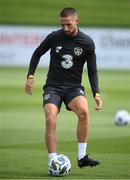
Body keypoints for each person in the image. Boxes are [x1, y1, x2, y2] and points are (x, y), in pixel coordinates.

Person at [25, 7, 102, 169]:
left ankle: (82, 157)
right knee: (50, 118)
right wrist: (30, 77)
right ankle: (53, 160)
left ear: (76, 21)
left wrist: (96, 93)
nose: (65, 28)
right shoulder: (54, 37)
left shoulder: (87, 42)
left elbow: (92, 70)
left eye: (68, 25)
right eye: (62, 25)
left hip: (73, 88)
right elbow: (37, 53)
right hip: (53, 87)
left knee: (84, 112)